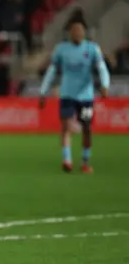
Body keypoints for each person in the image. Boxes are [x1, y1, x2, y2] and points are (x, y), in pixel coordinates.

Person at [39, 9, 110, 173]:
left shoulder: (92, 49)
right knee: (65, 126)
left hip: (86, 97)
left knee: (87, 128)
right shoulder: (61, 50)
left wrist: (105, 85)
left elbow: (102, 68)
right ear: (69, 33)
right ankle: (67, 160)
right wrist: (43, 92)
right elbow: (51, 72)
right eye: (74, 30)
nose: (77, 33)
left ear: (84, 32)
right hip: (67, 96)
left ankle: (85, 161)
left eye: (80, 30)